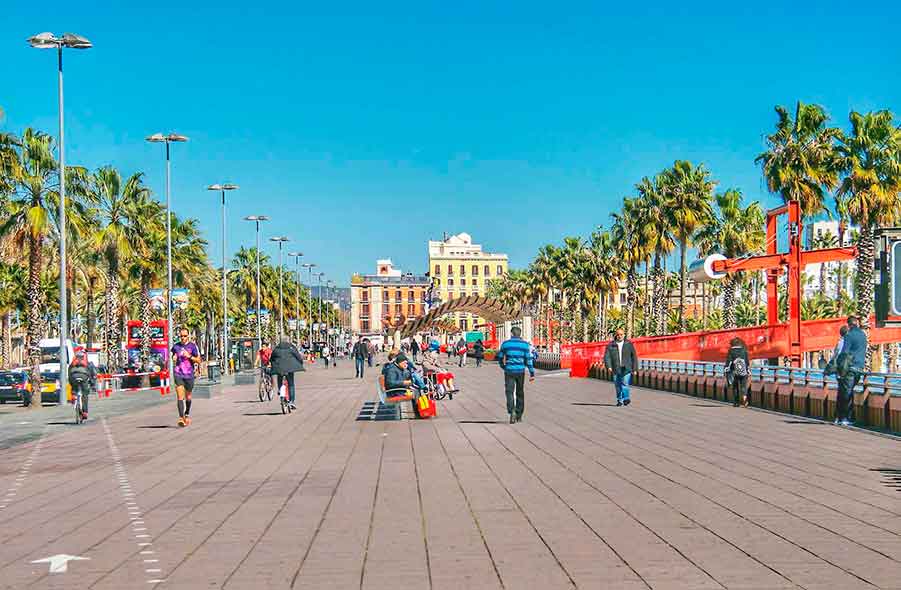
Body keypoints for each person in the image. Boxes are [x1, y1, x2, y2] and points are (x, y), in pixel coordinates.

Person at [496, 326, 535, 424]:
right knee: (520, 392)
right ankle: (519, 414)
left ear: (511, 334)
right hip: (520, 371)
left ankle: (511, 410)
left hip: (509, 370)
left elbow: (500, 357)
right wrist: (531, 372)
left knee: (509, 391)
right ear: (520, 334)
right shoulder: (525, 345)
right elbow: (528, 359)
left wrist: (503, 366)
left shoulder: (506, 344)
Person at [836, 316, 867, 426]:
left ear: (848, 324)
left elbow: (845, 353)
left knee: (846, 392)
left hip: (850, 368)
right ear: (857, 323)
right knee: (849, 391)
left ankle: (844, 418)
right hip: (860, 368)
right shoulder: (863, 334)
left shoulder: (849, 335)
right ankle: (849, 417)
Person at [171, 328, 201, 427]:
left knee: (188, 396)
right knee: (180, 396)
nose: (183, 338)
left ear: (188, 336)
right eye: (181, 336)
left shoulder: (193, 346)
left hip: (189, 374)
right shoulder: (176, 346)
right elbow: (173, 355)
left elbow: (199, 360)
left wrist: (190, 356)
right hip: (178, 373)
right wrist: (173, 358)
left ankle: (187, 413)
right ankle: (181, 418)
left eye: (185, 336)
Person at [603, 328, 638, 407]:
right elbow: (607, 357)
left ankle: (626, 398)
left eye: (621, 334)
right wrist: (608, 366)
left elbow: (634, 357)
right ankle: (619, 400)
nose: (619, 336)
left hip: (626, 368)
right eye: (618, 334)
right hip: (616, 368)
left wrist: (635, 368)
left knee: (625, 383)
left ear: (624, 335)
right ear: (615, 335)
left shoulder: (628, 344)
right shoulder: (611, 345)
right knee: (617, 385)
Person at [383, 352, 423, 417]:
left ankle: (419, 411)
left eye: (406, 363)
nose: (406, 364)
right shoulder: (392, 370)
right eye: (404, 363)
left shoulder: (398, 368)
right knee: (415, 392)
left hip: (398, 389)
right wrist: (404, 382)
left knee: (417, 390)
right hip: (393, 392)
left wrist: (406, 370)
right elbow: (390, 383)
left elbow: (407, 377)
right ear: (400, 362)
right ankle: (418, 413)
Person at [270, 336, 304, 410]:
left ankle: (279, 389)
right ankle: (292, 401)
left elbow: (272, 358)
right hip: (290, 368)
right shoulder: (291, 348)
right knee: (291, 384)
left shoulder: (276, 348)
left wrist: (273, 364)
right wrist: (301, 362)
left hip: (279, 368)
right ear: (288, 341)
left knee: (280, 377)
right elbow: (298, 356)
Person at [68, 350, 97, 420]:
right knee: (85, 393)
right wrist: (93, 384)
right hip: (83, 376)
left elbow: (69, 373)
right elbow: (93, 373)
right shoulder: (88, 363)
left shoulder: (72, 363)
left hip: (73, 375)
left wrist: (71, 382)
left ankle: (74, 395)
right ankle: (85, 412)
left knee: (74, 386)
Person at [724, 337, 750, 407]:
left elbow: (728, 361)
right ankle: (744, 398)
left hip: (734, 371)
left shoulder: (731, 351)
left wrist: (726, 368)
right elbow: (747, 361)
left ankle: (736, 402)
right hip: (744, 370)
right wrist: (748, 370)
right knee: (743, 386)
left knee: (735, 386)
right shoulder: (744, 350)